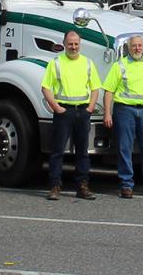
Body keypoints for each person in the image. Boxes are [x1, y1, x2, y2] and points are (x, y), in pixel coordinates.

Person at [102, 35, 143, 199]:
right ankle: (126, 185)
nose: (137, 48)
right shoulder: (120, 65)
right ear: (128, 48)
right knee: (125, 148)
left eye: (139, 45)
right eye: (134, 46)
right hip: (124, 110)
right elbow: (109, 91)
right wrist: (107, 113)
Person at [41, 30, 102, 201]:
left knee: (83, 151)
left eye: (76, 44)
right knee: (57, 151)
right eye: (70, 44)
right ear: (64, 44)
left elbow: (95, 87)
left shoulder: (88, 63)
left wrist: (90, 107)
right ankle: (54, 186)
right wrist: (56, 107)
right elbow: (46, 87)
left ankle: (82, 186)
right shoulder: (56, 63)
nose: (73, 47)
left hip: (83, 112)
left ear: (79, 45)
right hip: (63, 112)